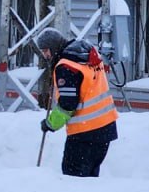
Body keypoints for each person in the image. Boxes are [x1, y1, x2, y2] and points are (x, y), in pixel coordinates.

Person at [36, 27, 118, 177]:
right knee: (90, 180)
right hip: (105, 128)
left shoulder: (66, 67)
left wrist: (50, 124)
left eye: (46, 50)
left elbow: (68, 104)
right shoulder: (85, 57)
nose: (45, 55)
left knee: (73, 179)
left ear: (54, 47)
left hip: (85, 133)